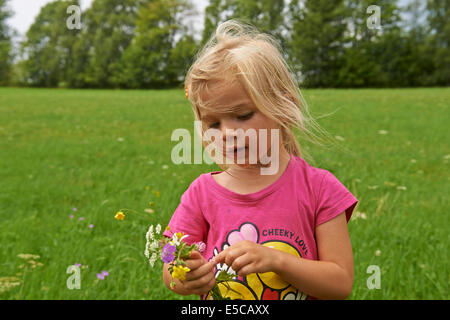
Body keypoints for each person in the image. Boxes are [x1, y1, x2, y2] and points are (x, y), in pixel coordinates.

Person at [162, 19, 358, 300]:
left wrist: (277, 261)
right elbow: (170, 268)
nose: (227, 133)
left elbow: (340, 285)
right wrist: (186, 277)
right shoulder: (201, 194)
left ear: (284, 106)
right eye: (213, 124)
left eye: (242, 116)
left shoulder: (320, 188)